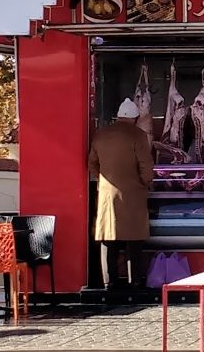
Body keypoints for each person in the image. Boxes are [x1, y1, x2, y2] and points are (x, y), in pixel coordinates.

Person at [89, 98, 154, 290]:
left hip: (107, 194)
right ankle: (135, 281)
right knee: (133, 239)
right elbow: (146, 165)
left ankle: (109, 281)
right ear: (134, 118)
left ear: (117, 116)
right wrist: (145, 182)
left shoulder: (100, 135)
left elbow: (91, 163)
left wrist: (102, 180)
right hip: (133, 193)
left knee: (108, 238)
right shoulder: (138, 135)